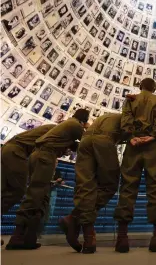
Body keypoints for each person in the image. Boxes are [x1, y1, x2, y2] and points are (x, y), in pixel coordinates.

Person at [6, 109, 89, 250]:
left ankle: (28, 237)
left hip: (37, 155)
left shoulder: (67, 126)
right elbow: (88, 141)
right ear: (83, 121)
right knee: (36, 194)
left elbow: (73, 145)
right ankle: (18, 236)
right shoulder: (75, 125)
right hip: (46, 156)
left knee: (40, 194)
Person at [114, 78, 156, 253]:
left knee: (128, 188)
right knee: (155, 188)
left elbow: (126, 119)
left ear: (140, 86)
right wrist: (153, 135)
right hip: (152, 146)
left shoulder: (131, 99)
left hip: (134, 145)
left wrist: (130, 137)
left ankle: (122, 237)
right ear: (154, 88)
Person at [59, 114, 122, 254]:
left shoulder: (108, 117)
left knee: (86, 185)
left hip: (85, 140)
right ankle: (75, 218)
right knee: (110, 185)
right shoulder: (131, 116)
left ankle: (87, 238)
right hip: (104, 140)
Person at [1, 124, 56, 246]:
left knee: (4, 192)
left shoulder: (49, 129)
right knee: (17, 191)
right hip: (16, 151)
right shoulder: (57, 131)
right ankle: (18, 238)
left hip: (7, 149)